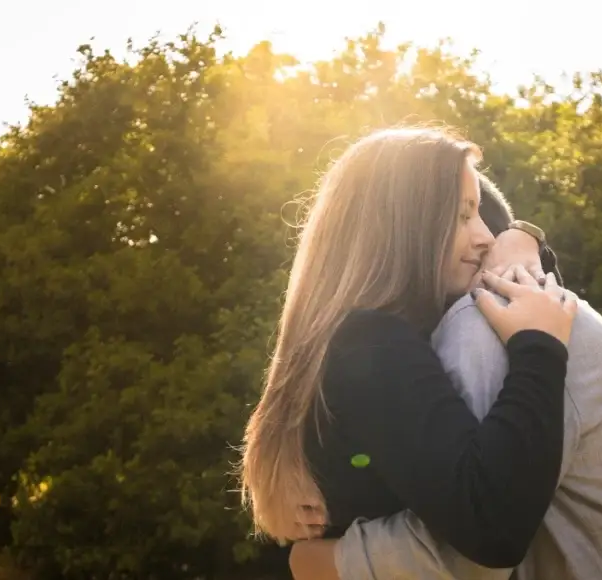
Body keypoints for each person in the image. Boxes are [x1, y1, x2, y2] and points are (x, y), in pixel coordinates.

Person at [288, 176, 602, 580]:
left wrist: (314, 560)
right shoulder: (501, 316)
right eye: (461, 216)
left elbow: (473, 549)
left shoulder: (485, 321)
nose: (484, 238)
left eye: (477, 215)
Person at [238, 127, 580, 569]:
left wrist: (521, 238)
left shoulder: (364, 335)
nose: (484, 237)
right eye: (462, 215)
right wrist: (540, 348)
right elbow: (494, 527)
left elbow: (517, 253)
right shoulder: (371, 344)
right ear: (402, 226)